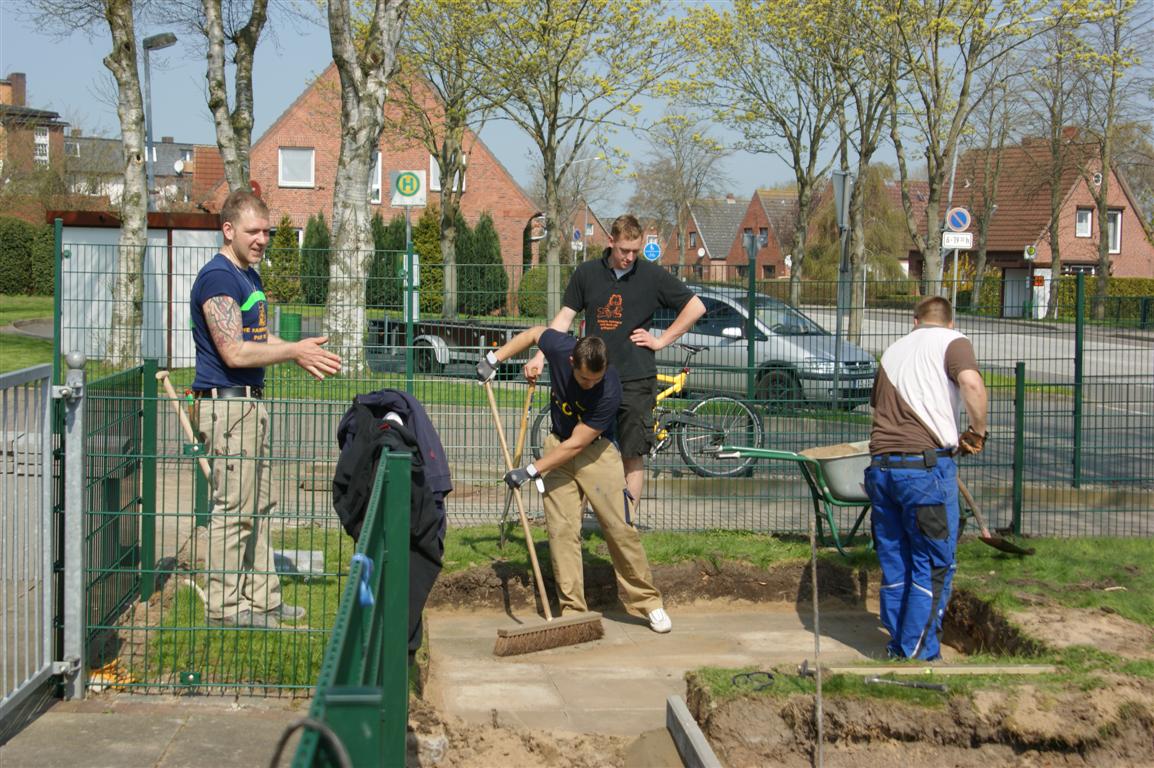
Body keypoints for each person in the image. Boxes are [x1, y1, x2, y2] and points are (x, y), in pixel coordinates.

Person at [190, 189, 343, 628]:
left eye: (267, 231)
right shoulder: (218, 278)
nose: (261, 239)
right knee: (232, 509)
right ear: (228, 230)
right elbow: (234, 353)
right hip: (226, 407)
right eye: (253, 231)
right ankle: (224, 607)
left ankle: (263, 600)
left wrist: (296, 349)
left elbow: (257, 341)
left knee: (259, 506)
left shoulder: (249, 277)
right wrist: (293, 351)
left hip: (248, 407)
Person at [480, 327, 671, 633]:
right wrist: (494, 358)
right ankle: (573, 612)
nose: (590, 384)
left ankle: (649, 603)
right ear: (571, 361)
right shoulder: (559, 348)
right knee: (562, 531)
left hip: (596, 453)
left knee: (620, 527)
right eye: (584, 379)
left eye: (596, 378)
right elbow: (533, 334)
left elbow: (578, 445)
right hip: (558, 444)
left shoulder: (610, 388)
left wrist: (531, 470)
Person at [524, 214, 706, 516]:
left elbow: (695, 306)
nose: (629, 257)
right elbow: (565, 317)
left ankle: (627, 525)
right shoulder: (587, 274)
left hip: (636, 380)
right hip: (593, 381)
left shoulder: (652, 276)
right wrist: (540, 355)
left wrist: (662, 340)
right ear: (611, 242)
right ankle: (578, 520)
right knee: (584, 450)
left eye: (635, 251)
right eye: (624, 250)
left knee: (632, 455)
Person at [864, 296, 988, 661]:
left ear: (914, 320)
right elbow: (973, 386)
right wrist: (977, 433)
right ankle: (918, 655)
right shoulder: (954, 341)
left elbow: (881, 408)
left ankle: (899, 643)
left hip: (882, 471)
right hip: (925, 472)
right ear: (950, 321)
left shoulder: (892, 351)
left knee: (896, 560)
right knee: (933, 564)